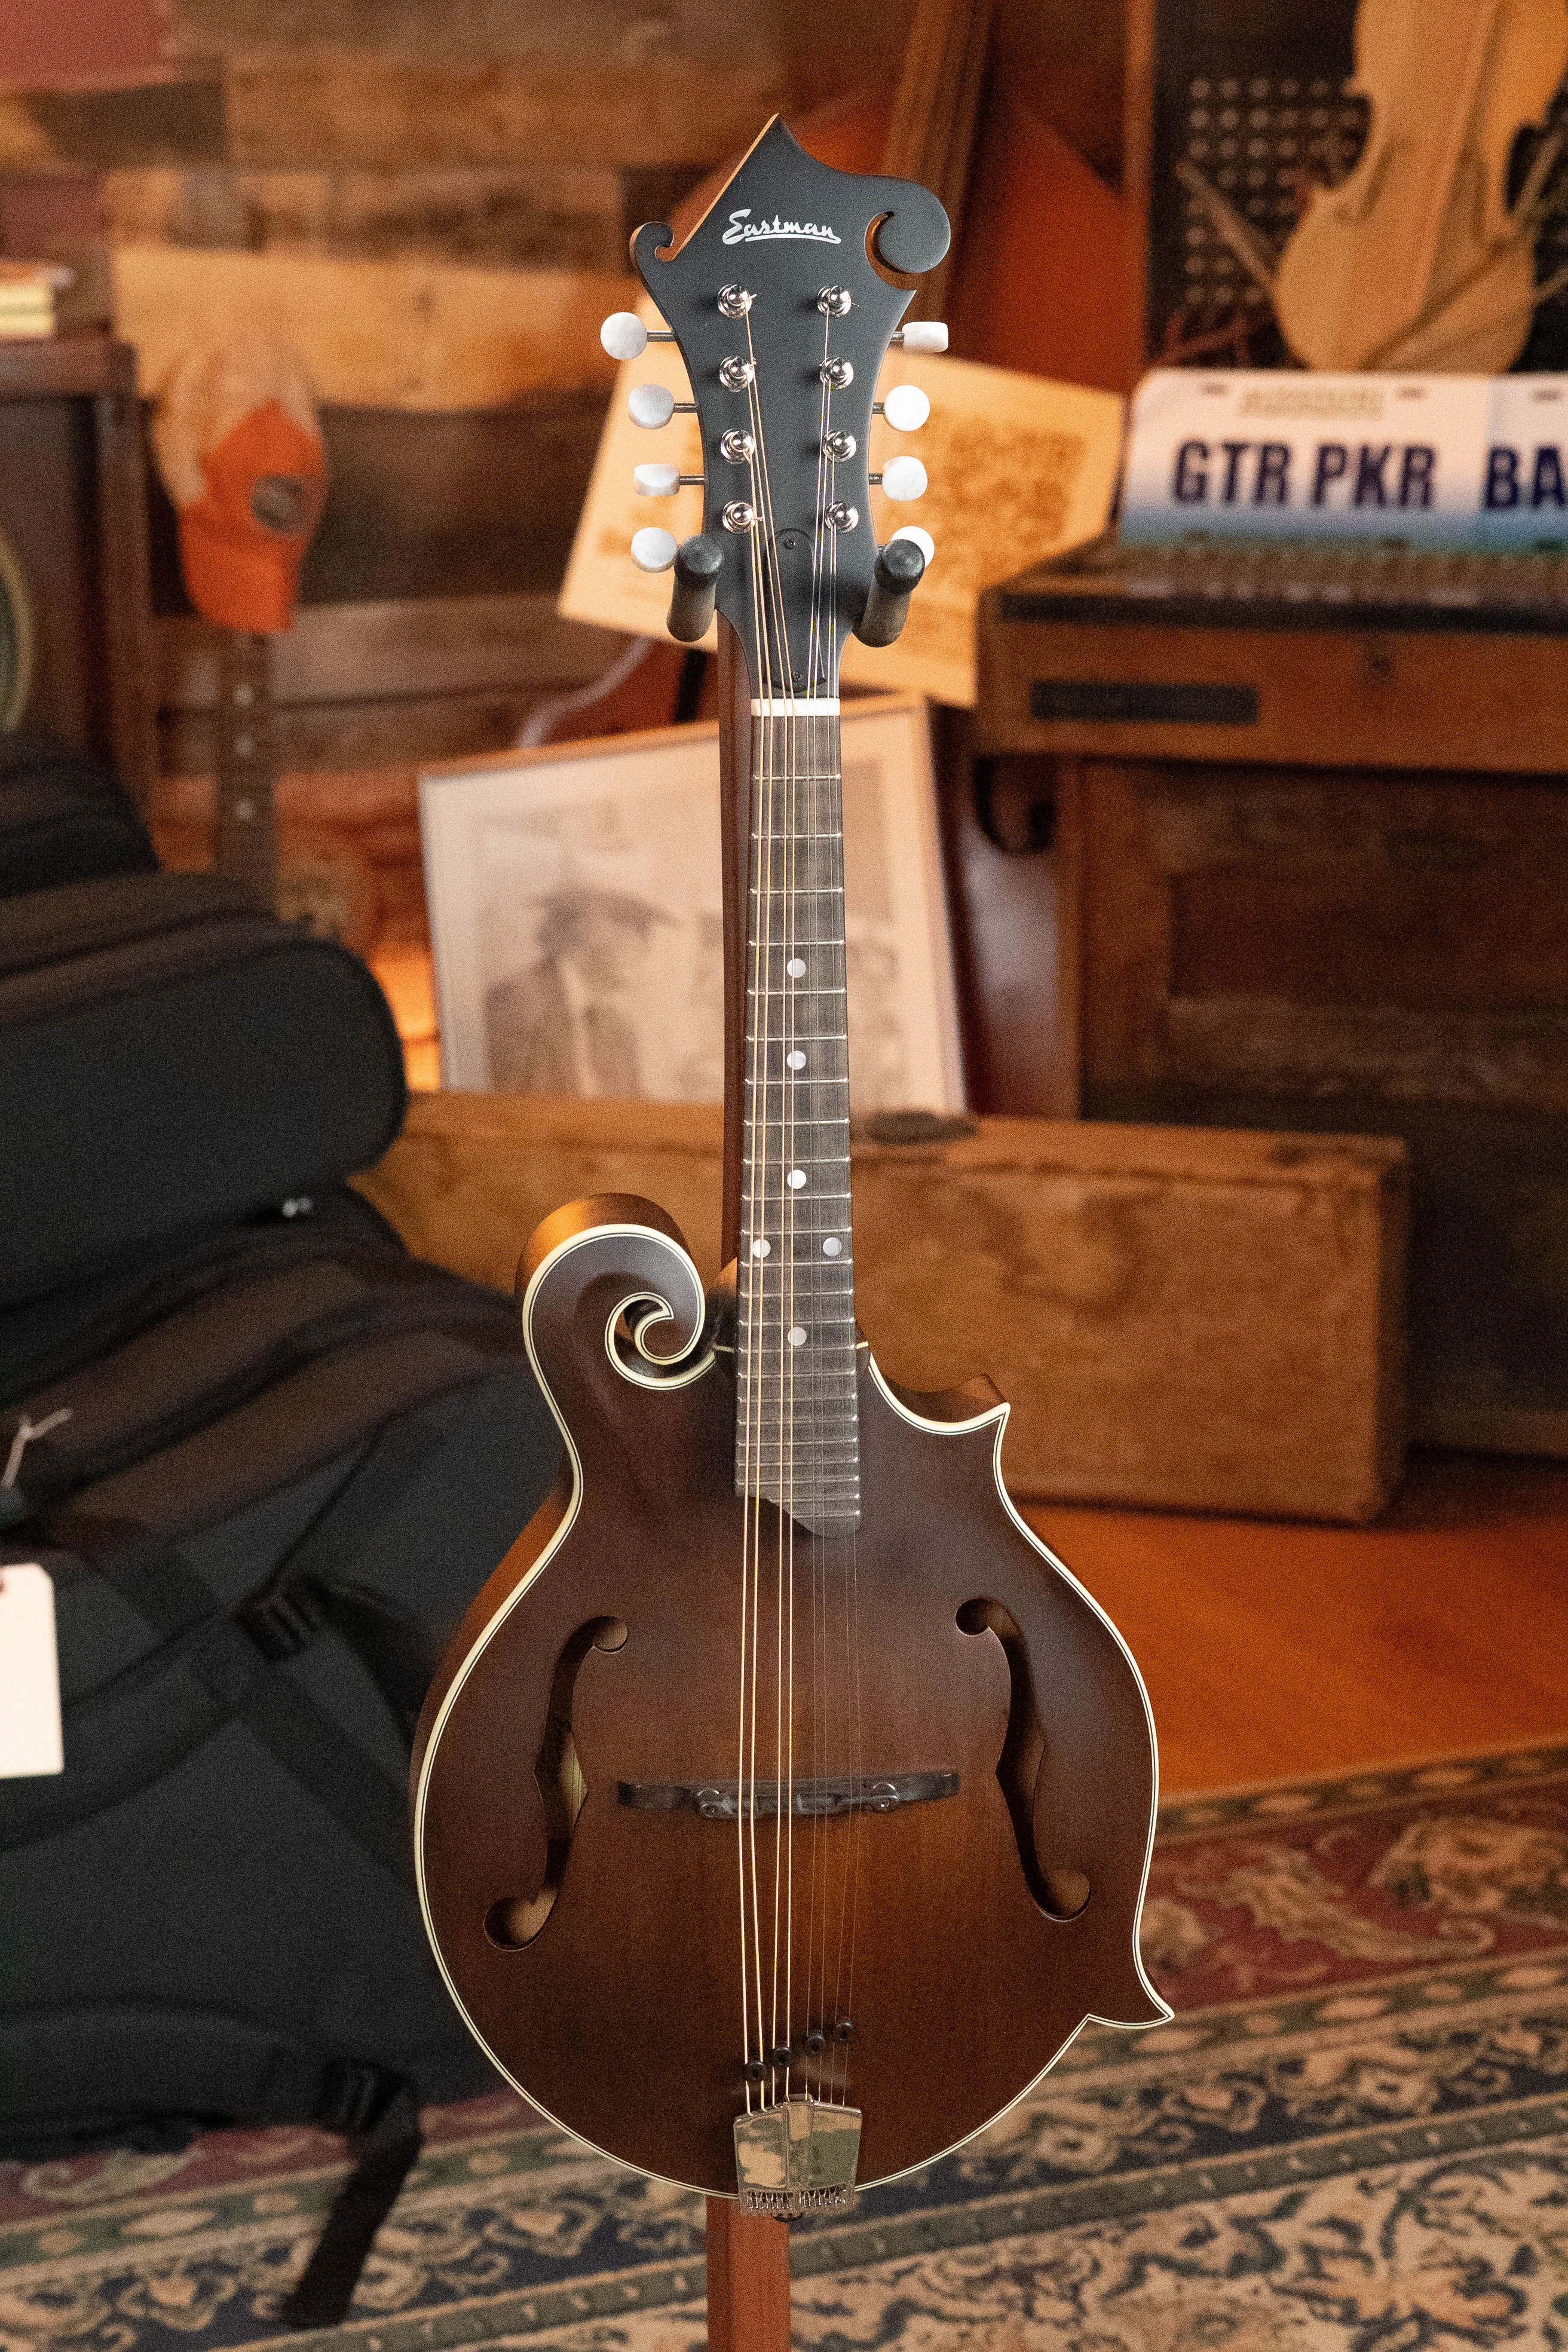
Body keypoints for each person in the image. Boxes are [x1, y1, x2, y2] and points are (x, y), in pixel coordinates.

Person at [485, 885, 666, 1095]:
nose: (645, 944)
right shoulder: (518, 1000)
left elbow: (636, 1112)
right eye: (629, 922)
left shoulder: (619, 1027)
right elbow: (508, 1111)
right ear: (586, 926)